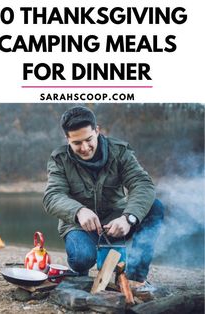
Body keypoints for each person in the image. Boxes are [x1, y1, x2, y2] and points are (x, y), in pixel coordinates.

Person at [43, 106, 164, 291]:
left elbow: (143, 184)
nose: (84, 148)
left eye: (89, 139)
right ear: (67, 139)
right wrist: (79, 211)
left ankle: (135, 278)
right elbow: (52, 196)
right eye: (76, 143)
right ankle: (81, 270)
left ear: (97, 131)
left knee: (155, 208)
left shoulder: (120, 152)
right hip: (79, 225)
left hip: (117, 220)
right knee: (81, 257)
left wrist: (129, 217)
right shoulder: (59, 159)